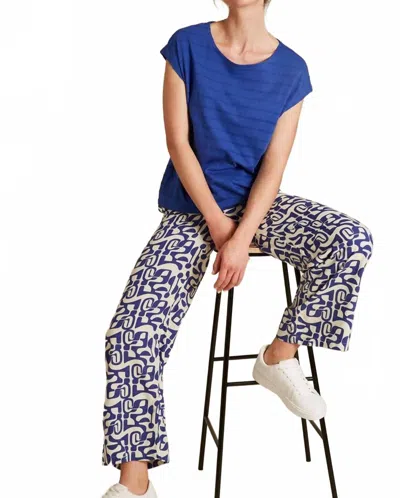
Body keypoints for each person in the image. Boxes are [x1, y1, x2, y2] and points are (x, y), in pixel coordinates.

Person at [101, 2, 374, 497]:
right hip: (191, 211)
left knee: (350, 238)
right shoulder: (186, 46)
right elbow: (178, 144)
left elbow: (273, 167)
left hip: (257, 210)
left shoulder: (292, 70)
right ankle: (135, 483)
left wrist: (242, 237)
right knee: (130, 333)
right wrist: (218, 227)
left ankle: (278, 357)